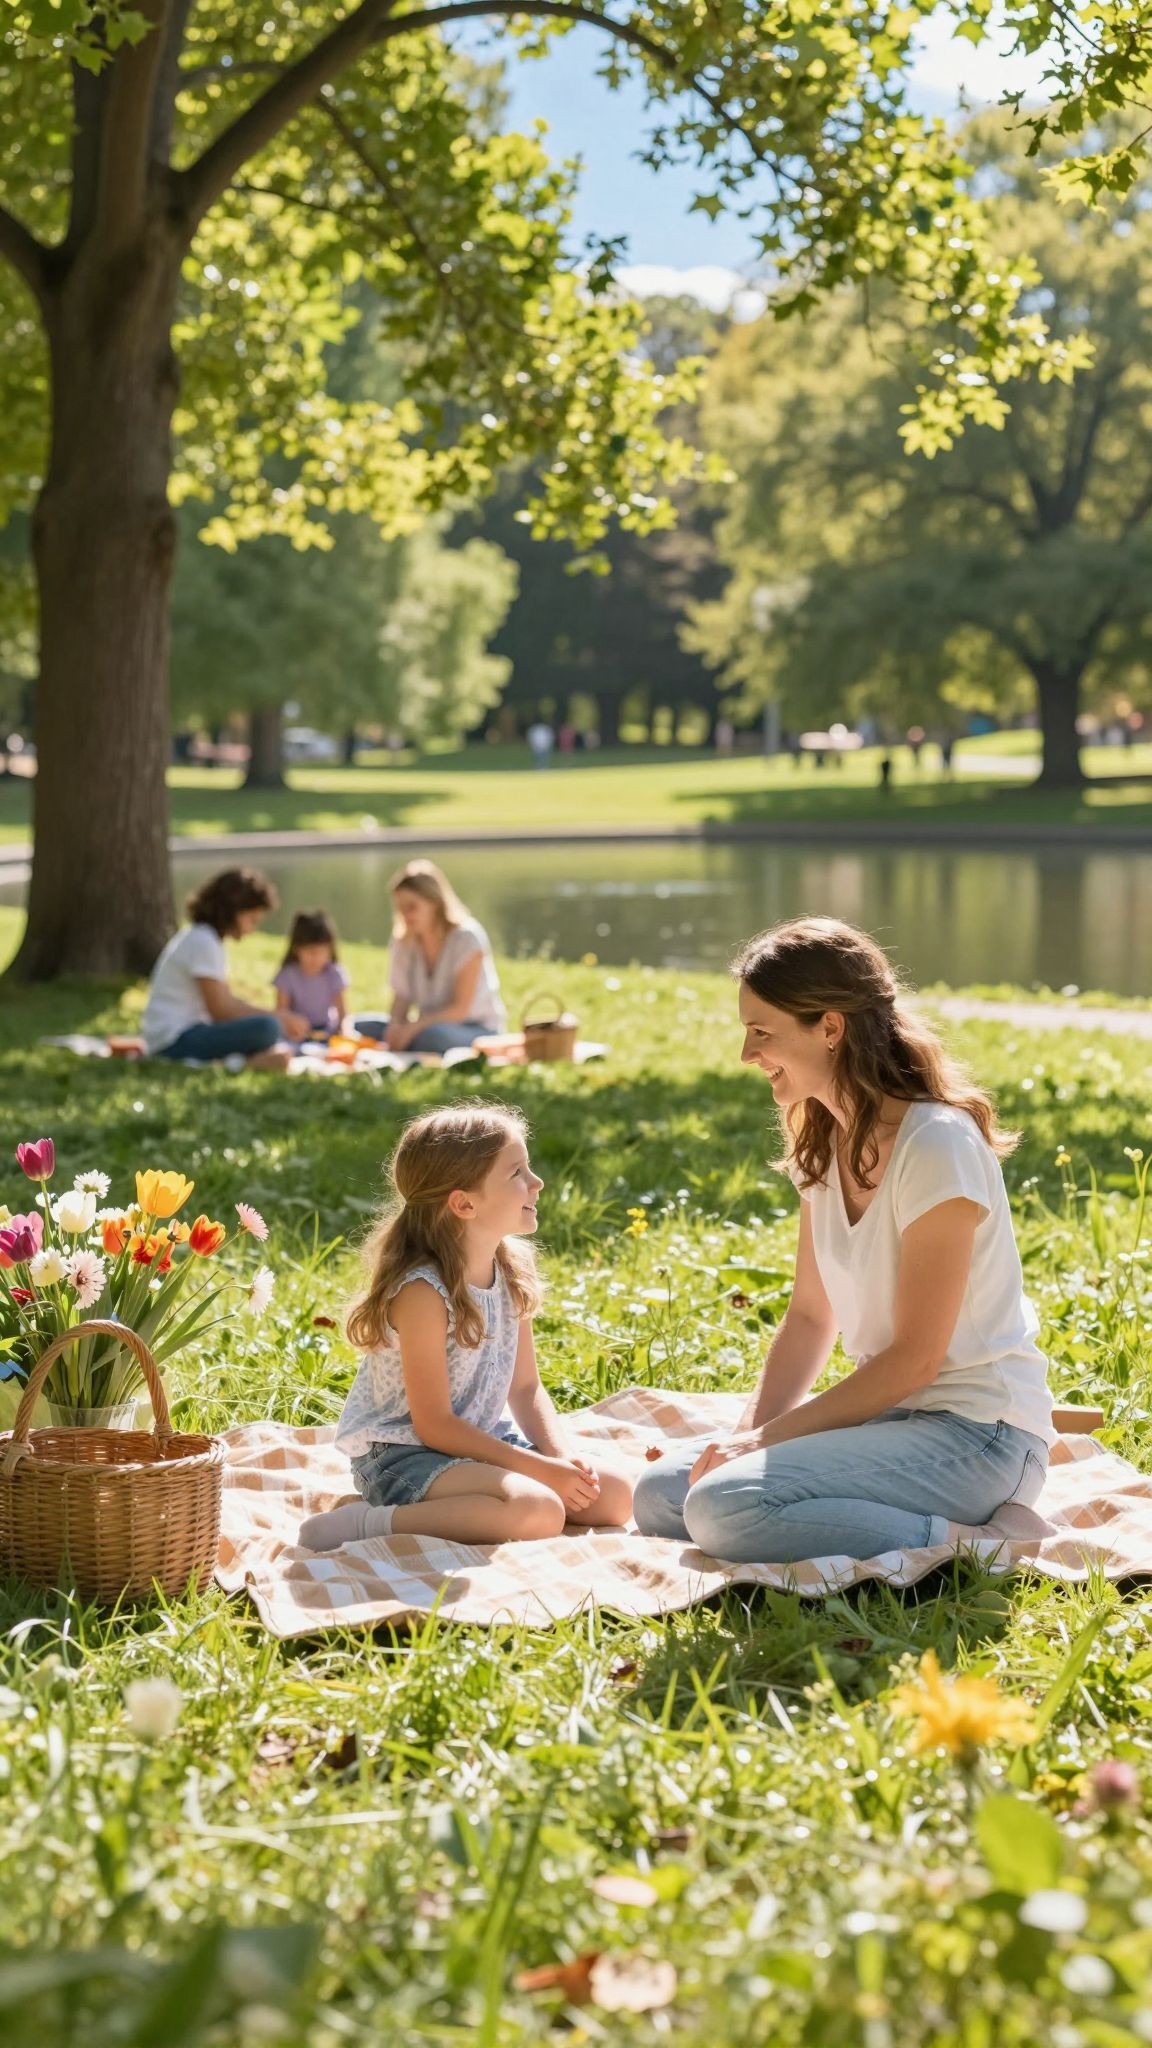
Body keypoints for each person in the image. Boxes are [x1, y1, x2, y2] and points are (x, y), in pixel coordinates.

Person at [633, 916, 1053, 1563]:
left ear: (829, 1028)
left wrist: (757, 1452)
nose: (748, 1055)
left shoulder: (936, 1143)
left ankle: (986, 1543)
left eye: (762, 1032)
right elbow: (808, 1318)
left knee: (726, 1508)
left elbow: (915, 1361)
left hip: (981, 1436)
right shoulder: (822, 1146)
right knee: (662, 1493)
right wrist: (744, 1437)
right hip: (890, 1423)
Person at [300, 1106, 633, 1549]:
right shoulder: (423, 1292)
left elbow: (526, 1388)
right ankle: (366, 1523)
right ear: (464, 1203)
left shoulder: (510, 1269)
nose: (537, 1183)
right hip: (403, 1455)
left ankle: (489, 1499)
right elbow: (433, 1424)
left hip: (477, 1440)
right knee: (538, 1510)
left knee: (613, 1497)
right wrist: (537, 1472)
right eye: (517, 1172)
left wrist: (560, 1457)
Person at [142, 868, 309, 1068]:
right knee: (268, 1027)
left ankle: (250, 1060)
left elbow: (224, 1002)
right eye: (251, 919)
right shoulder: (203, 942)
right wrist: (277, 1016)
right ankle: (244, 1063)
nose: (252, 928)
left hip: (185, 1033)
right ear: (234, 911)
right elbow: (220, 1010)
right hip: (174, 1040)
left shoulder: (203, 938)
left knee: (266, 1025)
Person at [354, 858, 506, 1055]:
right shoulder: (404, 941)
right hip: (424, 1025)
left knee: (432, 1037)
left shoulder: (467, 939)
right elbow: (402, 997)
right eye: (401, 908)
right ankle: (405, 1042)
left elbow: (460, 1009)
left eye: (412, 907)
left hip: (473, 1029)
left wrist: (413, 1028)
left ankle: (411, 1043)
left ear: (434, 902)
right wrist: (396, 1026)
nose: (406, 915)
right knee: (356, 1026)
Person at [273, 909, 349, 1037]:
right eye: (309, 951)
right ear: (296, 949)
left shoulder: (334, 973)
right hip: (296, 1033)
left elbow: (343, 1014)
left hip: (327, 1031)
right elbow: (281, 1012)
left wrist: (345, 1031)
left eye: (320, 952)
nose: (315, 957)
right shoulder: (287, 975)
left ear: (330, 949)